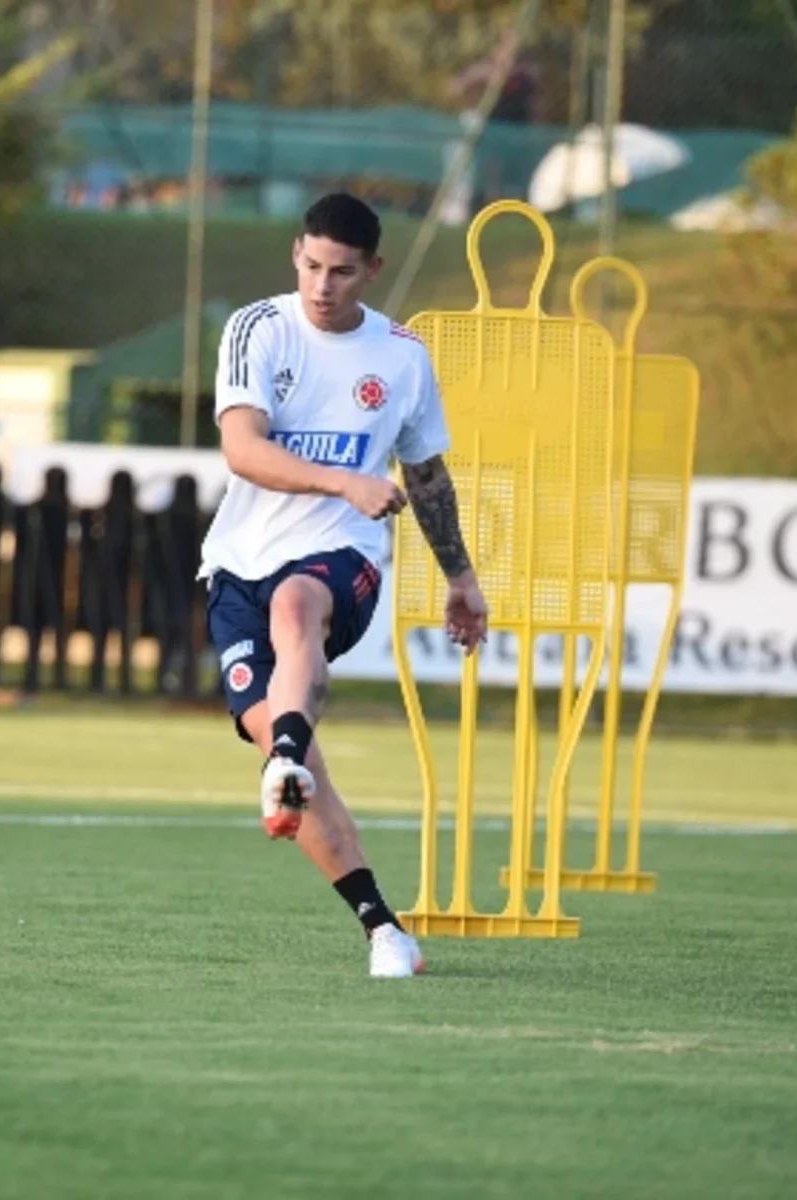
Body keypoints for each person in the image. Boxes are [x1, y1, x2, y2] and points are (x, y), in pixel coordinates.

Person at [199, 193, 489, 979]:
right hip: (236, 566)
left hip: (342, 556)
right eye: (312, 266)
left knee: (300, 606)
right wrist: (344, 479)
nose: (323, 285)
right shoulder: (259, 329)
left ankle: (285, 753)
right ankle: (383, 928)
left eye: (342, 272)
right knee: (291, 766)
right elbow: (242, 450)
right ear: (296, 253)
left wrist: (459, 575)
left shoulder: (400, 357)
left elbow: (425, 475)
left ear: (373, 271)